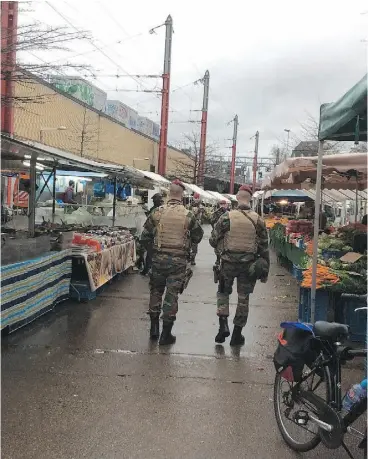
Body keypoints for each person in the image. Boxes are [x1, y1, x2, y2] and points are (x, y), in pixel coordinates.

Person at [141, 180, 204, 345]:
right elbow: (198, 236)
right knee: (171, 295)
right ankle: (166, 334)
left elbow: (145, 237)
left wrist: (154, 251)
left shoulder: (157, 213)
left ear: (169, 193)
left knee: (155, 291)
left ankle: (154, 329)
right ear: (182, 195)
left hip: (158, 259)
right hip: (178, 261)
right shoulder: (188, 215)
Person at [210, 185, 269, 346]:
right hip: (248, 265)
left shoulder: (226, 217)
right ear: (250, 199)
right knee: (244, 298)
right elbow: (264, 247)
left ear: (237, 197)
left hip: (227, 263)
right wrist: (265, 272)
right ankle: (237, 334)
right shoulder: (258, 220)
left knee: (223, 293)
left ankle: (223, 324)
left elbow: (213, 239)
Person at [140, 193, 164, 275]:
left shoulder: (160, 210)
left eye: (155, 200)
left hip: (152, 236)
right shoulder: (153, 209)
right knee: (150, 254)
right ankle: (148, 269)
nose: (153, 201)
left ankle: (148, 270)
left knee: (151, 254)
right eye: (153, 200)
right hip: (150, 235)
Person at [190, 194, 204, 265]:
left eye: (197, 198)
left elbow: (202, 213)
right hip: (190, 226)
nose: (196, 199)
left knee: (194, 243)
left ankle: (192, 258)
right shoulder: (190, 206)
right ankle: (190, 258)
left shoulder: (200, 206)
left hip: (196, 227)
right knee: (190, 243)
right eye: (195, 198)